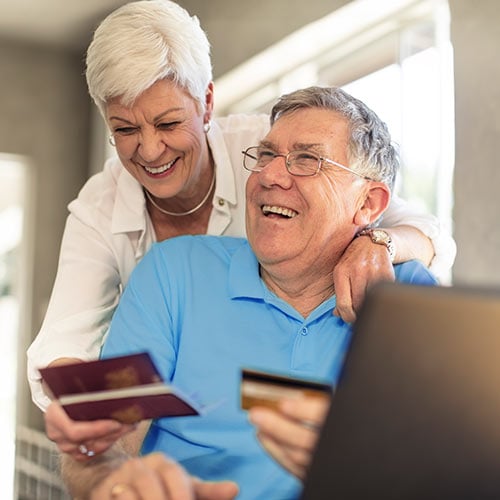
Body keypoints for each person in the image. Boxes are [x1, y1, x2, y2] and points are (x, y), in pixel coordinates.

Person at [29, 0, 453, 450]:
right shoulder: (107, 214)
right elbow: (63, 344)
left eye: (169, 122)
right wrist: (91, 421)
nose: (150, 150)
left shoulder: (266, 146)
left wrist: (379, 243)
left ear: (207, 102)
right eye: (125, 129)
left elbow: (421, 228)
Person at [58, 86, 437, 500]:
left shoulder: (411, 298)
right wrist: (111, 482)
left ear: (367, 203)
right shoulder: (172, 271)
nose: (270, 176)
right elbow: (97, 436)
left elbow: (455, 466)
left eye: (307, 160)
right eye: (266, 155)